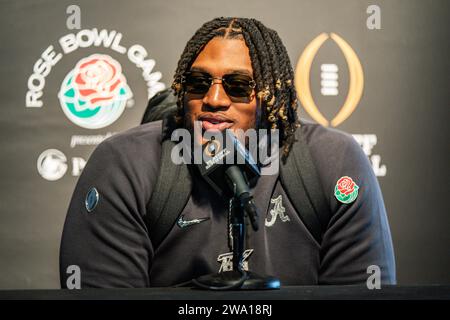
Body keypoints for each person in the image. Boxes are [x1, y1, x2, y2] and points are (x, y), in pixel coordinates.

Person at [60, 17, 396, 288]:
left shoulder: (333, 162)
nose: (214, 99)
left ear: (272, 98)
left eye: (237, 86)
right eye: (198, 83)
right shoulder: (124, 163)